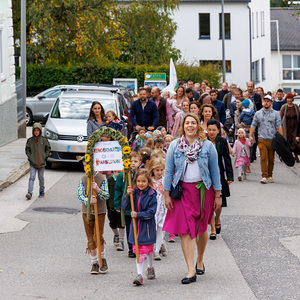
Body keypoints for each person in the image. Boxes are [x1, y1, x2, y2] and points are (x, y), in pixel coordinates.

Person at [163, 113, 222, 284]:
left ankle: (200, 259)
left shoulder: (208, 146)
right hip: (182, 192)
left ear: (198, 125)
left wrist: (218, 194)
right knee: (186, 231)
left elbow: (215, 171)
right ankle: (190, 270)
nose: (190, 126)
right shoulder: (175, 146)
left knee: (202, 229)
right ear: (183, 126)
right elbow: (168, 171)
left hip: (204, 191)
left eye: (193, 123)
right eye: (187, 123)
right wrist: (166, 194)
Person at [122, 168, 157, 286]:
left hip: (146, 228)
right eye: (138, 181)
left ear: (148, 182)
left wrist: (138, 215)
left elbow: (151, 212)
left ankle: (150, 267)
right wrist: (128, 195)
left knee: (148, 250)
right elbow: (125, 207)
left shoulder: (152, 194)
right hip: (135, 228)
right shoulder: (134, 193)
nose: (140, 184)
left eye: (143, 181)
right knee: (139, 251)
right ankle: (139, 275)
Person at [77, 156, 109, 274]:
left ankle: (103, 259)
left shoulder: (101, 178)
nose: (86, 168)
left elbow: (106, 195)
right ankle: (94, 262)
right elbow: (80, 194)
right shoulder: (83, 179)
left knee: (98, 236)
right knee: (90, 238)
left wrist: (98, 189)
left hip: (99, 212)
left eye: (88, 165)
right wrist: (88, 200)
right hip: (87, 213)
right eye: (84, 165)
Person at [206, 119, 233, 240]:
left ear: (218, 130)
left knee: (219, 201)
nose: (211, 132)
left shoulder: (222, 141)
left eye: (214, 130)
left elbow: (227, 159)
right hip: (206, 175)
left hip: (219, 174)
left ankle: (217, 219)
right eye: (209, 130)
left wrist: (230, 176)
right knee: (210, 202)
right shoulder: (203, 142)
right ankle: (212, 228)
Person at [249, 95, 283, 184]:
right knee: (263, 157)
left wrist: (282, 139)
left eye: (268, 101)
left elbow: (279, 126)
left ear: (271, 103)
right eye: (265, 101)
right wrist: (250, 136)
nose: (266, 102)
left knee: (271, 159)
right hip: (262, 139)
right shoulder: (258, 113)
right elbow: (253, 125)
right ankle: (264, 176)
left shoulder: (276, 114)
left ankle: (270, 175)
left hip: (272, 139)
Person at [114, 151, 142, 258]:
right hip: (127, 208)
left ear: (139, 162)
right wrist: (117, 205)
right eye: (130, 161)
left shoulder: (141, 174)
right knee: (129, 228)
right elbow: (118, 191)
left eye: (135, 161)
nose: (132, 163)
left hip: (139, 207)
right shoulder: (122, 175)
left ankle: (138, 247)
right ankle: (131, 248)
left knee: (138, 228)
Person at [25, 123, 51, 200]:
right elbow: (27, 150)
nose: (36, 132)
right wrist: (30, 157)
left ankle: (42, 191)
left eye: (38, 130)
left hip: (42, 163)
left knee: (41, 177)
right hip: (33, 163)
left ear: (40, 131)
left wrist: (45, 156)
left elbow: (48, 148)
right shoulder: (30, 141)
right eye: (35, 130)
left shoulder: (44, 140)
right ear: (33, 131)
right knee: (32, 177)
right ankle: (29, 193)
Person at [149, 157, 167, 260]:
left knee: (160, 229)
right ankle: (151, 248)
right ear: (153, 170)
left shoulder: (165, 180)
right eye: (157, 170)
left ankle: (157, 251)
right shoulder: (149, 181)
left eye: (161, 170)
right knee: (152, 229)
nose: (159, 172)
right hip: (152, 208)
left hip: (161, 208)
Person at [107, 170, 125, 250]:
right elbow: (107, 193)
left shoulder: (124, 179)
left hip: (121, 206)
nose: (117, 174)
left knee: (121, 224)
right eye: (115, 172)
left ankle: (121, 241)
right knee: (112, 223)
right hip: (111, 206)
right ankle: (116, 234)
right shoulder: (110, 180)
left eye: (119, 172)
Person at [280, 93, 300, 162]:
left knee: (295, 141)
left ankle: (296, 155)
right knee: (287, 140)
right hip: (287, 126)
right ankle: (288, 155)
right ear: (286, 99)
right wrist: (279, 127)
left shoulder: (296, 107)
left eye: (290, 98)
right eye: (288, 98)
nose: (289, 100)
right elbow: (280, 117)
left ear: (292, 99)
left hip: (295, 126)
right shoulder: (284, 107)